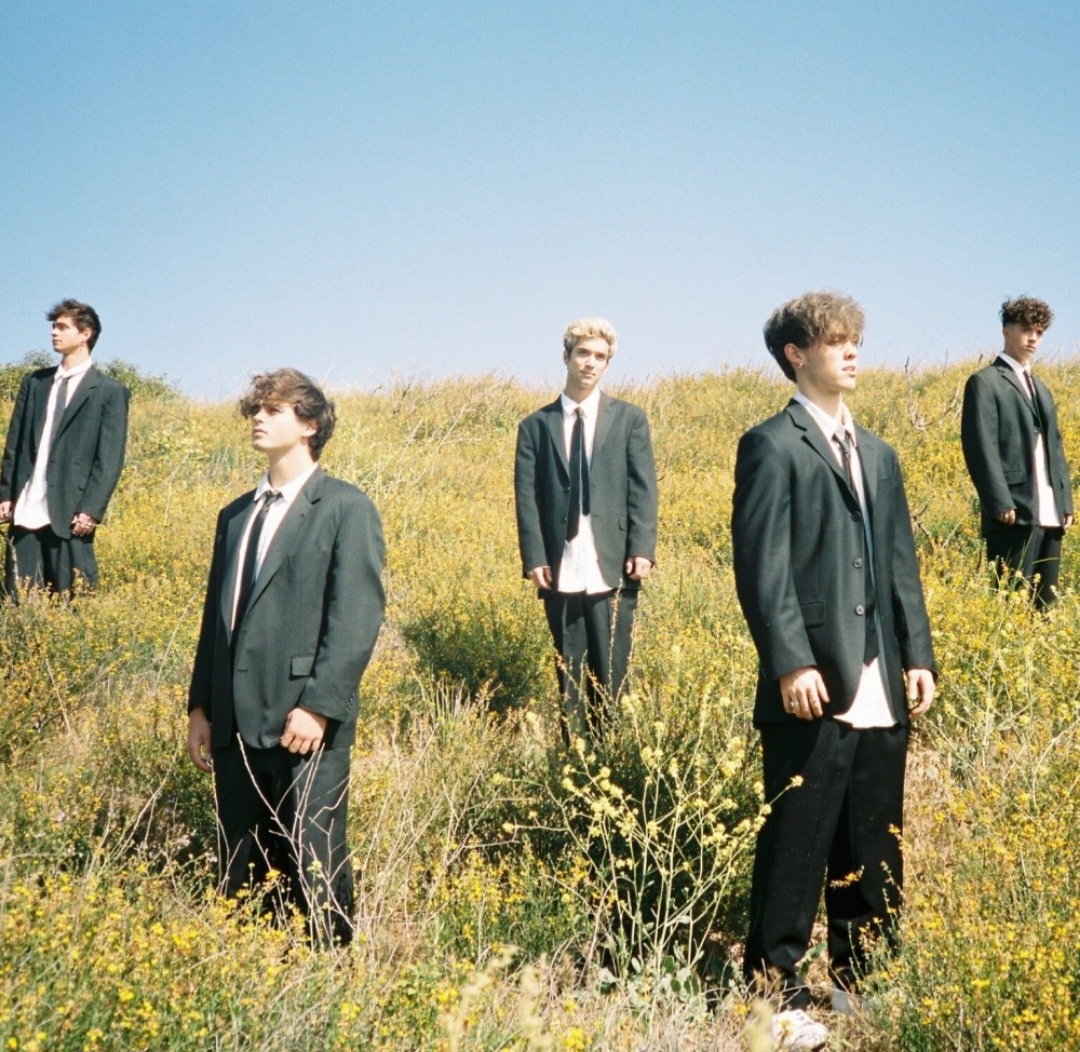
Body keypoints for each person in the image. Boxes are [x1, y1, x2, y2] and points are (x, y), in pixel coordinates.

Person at [731, 292, 936, 1050]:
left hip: (882, 675)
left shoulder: (878, 452)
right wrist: (790, 661)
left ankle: (863, 984)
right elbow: (762, 568)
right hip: (812, 678)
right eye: (834, 341)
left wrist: (918, 654)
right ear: (796, 355)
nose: (851, 352)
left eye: (856, 340)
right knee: (797, 838)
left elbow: (900, 564)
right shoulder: (771, 445)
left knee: (875, 839)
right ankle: (774, 996)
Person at [186, 369, 385, 946]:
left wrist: (319, 705)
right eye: (255, 408)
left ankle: (330, 975)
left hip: (305, 723)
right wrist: (201, 707)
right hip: (232, 722)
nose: (257, 417)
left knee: (314, 860)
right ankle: (251, 975)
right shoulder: (234, 515)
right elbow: (215, 619)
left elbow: (356, 618)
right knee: (239, 870)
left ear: (310, 425)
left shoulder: (345, 507)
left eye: (272, 410)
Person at [514, 317, 657, 741]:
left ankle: (611, 754)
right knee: (569, 674)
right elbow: (527, 498)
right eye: (583, 353)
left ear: (608, 364)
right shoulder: (535, 426)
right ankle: (575, 760)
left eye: (600, 356)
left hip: (612, 561)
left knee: (612, 671)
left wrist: (642, 547)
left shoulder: (629, 419)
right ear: (566, 356)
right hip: (560, 565)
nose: (590, 363)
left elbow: (643, 488)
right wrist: (535, 557)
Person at [0, 300, 129, 597]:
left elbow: (109, 459)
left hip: (71, 513)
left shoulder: (110, 392)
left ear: (85, 334)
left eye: (62, 327)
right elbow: (15, 443)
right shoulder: (35, 383)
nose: (53, 333)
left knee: (74, 601)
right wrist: (6, 493)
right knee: (19, 599)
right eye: (53, 327)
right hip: (27, 507)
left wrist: (91, 509)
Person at [961, 296, 1073, 608]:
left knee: (1045, 607)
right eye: (1026, 330)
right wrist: (999, 501)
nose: (1033, 338)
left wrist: (1065, 502)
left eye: (1039, 332)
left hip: (1051, 513)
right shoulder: (984, 382)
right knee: (1009, 604)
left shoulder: (1041, 388)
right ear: (1006, 331)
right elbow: (979, 445)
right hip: (1013, 512)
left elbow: (1055, 447)